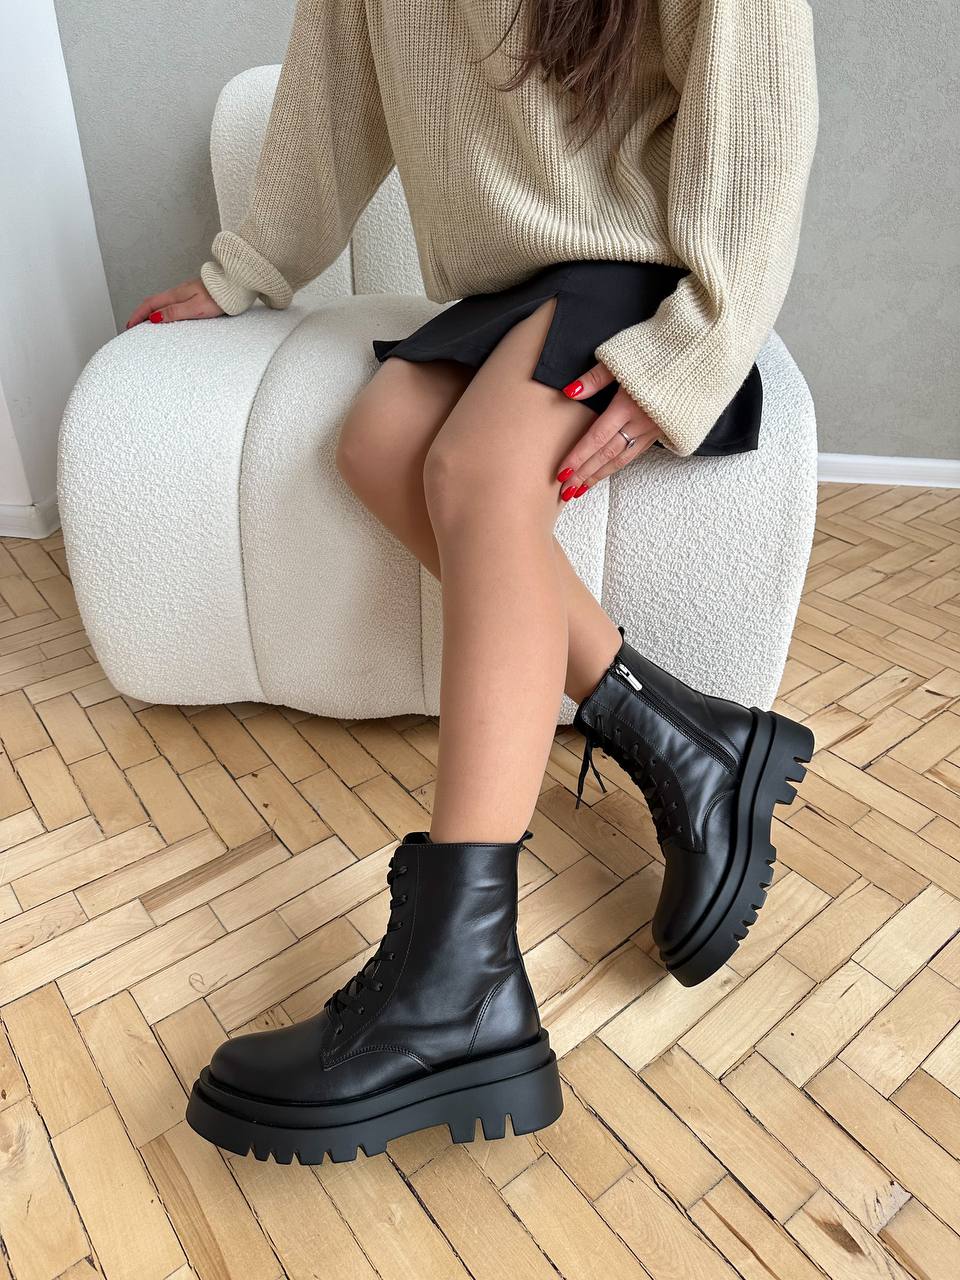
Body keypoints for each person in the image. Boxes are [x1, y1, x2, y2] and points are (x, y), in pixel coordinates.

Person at [129, 0, 819, 1164]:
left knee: (474, 469)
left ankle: (460, 984)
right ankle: (687, 741)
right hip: (516, 288)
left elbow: (760, 108)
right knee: (377, 442)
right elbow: (331, 99)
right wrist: (244, 272)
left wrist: (695, 348)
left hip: (642, 268)